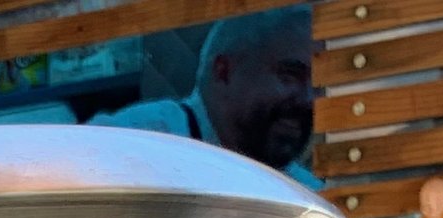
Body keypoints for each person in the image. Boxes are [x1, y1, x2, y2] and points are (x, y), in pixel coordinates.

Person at [91, 9, 318, 182]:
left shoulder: (305, 192)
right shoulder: (136, 143)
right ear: (224, 72)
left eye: (316, 81)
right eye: (289, 75)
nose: (308, 99)